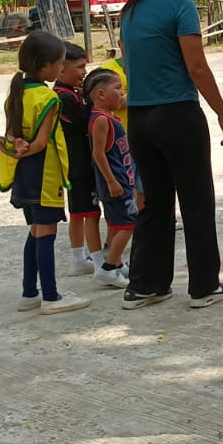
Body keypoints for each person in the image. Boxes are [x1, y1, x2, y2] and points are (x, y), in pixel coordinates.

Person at [117, 0, 223, 309]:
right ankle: (203, 286)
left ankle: (145, 285)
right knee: (197, 200)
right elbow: (196, 67)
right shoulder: (181, 7)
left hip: (140, 118)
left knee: (154, 202)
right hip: (178, 115)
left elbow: (130, 62)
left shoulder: (130, 9)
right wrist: (222, 113)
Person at [0, 31, 90, 315]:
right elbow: (40, 144)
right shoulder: (48, 98)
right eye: (59, 63)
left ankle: (29, 293)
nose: (61, 68)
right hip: (45, 174)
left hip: (23, 174)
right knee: (46, 232)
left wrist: (17, 146)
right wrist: (26, 148)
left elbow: (11, 135)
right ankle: (51, 296)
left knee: (36, 230)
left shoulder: (16, 93)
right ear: (44, 66)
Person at [82, 68, 137, 289]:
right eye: (117, 88)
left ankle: (117, 263)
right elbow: (98, 153)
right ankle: (108, 267)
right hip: (115, 183)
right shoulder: (101, 120)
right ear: (101, 94)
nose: (122, 93)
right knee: (130, 223)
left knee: (117, 224)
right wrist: (112, 181)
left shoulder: (109, 117)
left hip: (123, 180)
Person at [53, 43, 103, 275]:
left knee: (78, 212)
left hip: (73, 164)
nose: (84, 72)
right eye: (80, 67)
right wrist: (93, 99)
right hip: (79, 164)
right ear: (61, 69)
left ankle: (78, 258)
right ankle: (101, 263)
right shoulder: (66, 97)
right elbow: (85, 123)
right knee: (91, 213)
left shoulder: (68, 93)